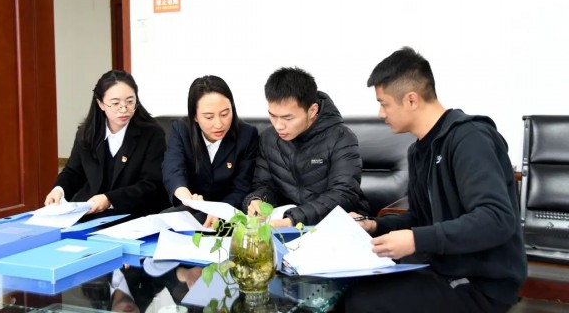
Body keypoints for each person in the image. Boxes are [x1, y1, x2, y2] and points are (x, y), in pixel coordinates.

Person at [345, 47, 527, 312]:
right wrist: (374, 225)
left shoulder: (469, 139)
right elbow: (421, 219)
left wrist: (416, 240)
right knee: (352, 289)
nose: (381, 114)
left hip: (481, 284)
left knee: (364, 302)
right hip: (443, 266)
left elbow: (496, 218)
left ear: (411, 100)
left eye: (384, 104)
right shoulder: (418, 150)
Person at [243, 67, 371, 227]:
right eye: (272, 116)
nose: (278, 125)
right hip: (285, 224)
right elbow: (264, 185)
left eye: (288, 118)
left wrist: (293, 220)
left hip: (337, 225)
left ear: (312, 110)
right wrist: (258, 200)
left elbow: (343, 195)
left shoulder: (342, 137)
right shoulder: (268, 138)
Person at [44, 70, 170, 218]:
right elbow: (73, 171)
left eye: (130, 101)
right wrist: (59, 189)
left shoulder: (152, 134)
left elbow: (152, 184)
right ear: (101, 104)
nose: (124, 109)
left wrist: (110, 199)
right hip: (91, 212)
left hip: (133, 213)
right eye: (115, 103)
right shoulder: (87, 133)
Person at [162, 75, 259, 227]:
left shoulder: (247, 135)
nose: (219, 124)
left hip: (229, 212)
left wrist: (220, 211)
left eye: (225, 114)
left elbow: (241, 187)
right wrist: (184, 194)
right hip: (191, 210)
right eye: (209, 117)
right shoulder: (182, 130)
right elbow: (173, 168)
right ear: (194, 116)